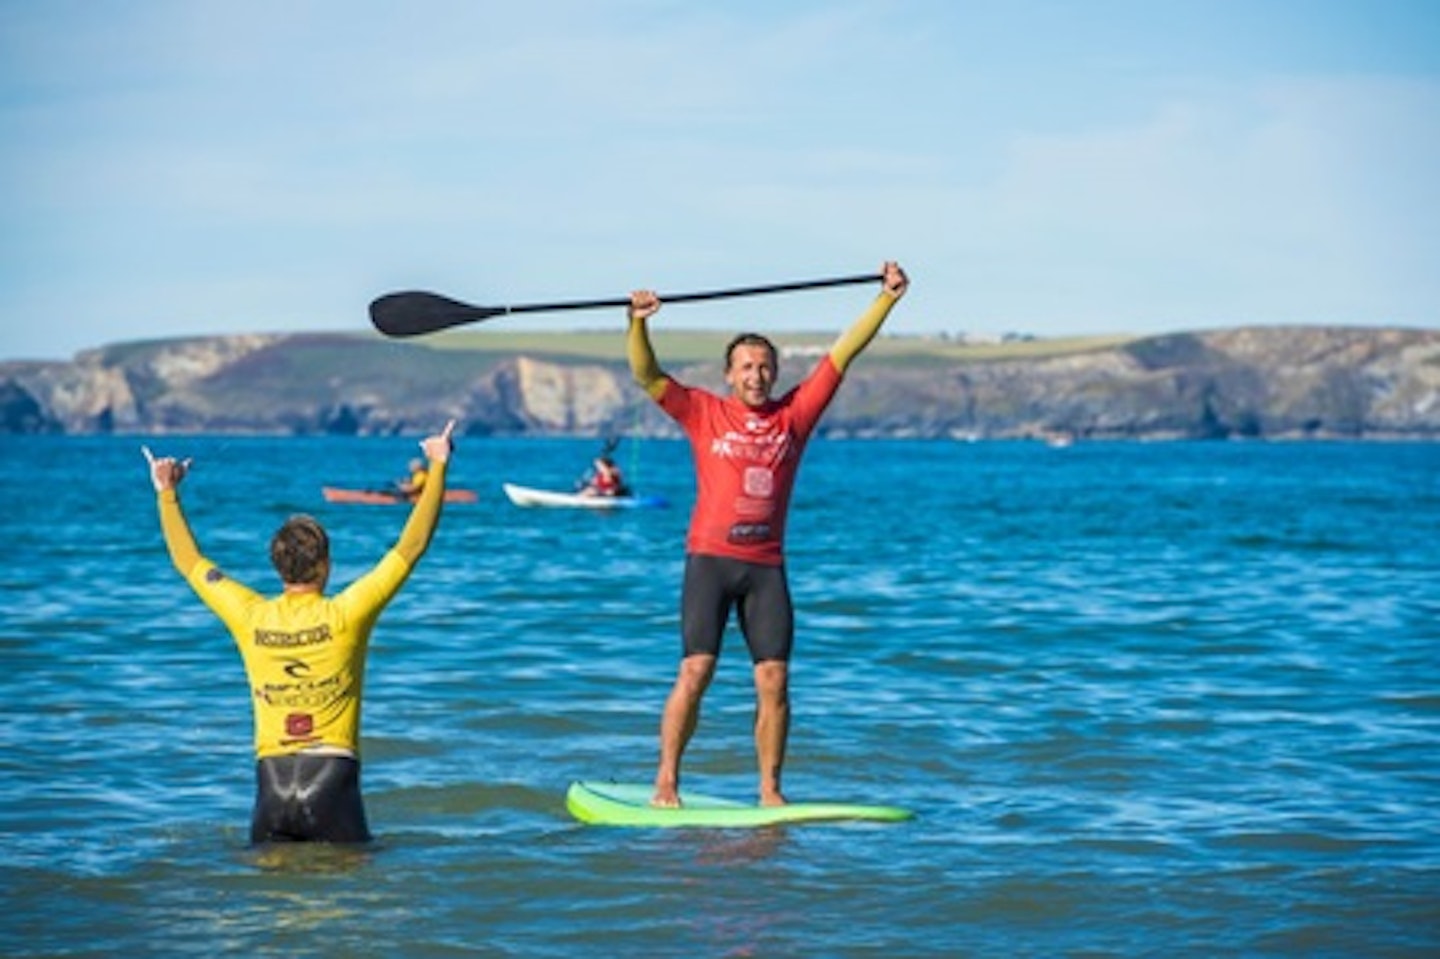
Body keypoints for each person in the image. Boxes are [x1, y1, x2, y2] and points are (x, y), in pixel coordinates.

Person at [626, 261, 909, 807]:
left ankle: (770, 790)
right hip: (710, 560)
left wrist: (886, 300)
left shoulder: (795, 416)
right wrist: (638, 323)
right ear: (729, 374)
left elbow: (843, 352)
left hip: (765, 567)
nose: (756, 375)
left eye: (764, 366)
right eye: (746, 366)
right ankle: (665, 779)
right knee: (696, 669)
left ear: (774, 374)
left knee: (775, 679)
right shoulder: (703, 412)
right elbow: (647, 375)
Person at [143, 421, 457, 843]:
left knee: (273, 903)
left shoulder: (249, 615)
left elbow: (189, 560)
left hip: (270, 788)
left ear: (277, 567)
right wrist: (437, 464)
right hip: (332, 784)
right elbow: (411, 545)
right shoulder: (349, 612)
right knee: (357, 896)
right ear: (325, 565)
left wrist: (167, 492)